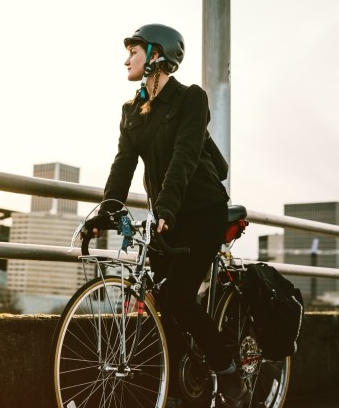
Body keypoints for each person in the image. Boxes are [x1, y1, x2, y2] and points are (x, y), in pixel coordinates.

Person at [100, 23, 248, 408]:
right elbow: (123, 165)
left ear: (155, 55)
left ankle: (229, 372)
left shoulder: (190, 99)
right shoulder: (132, 110)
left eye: (133, 50)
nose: (126, 58)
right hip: (168, 213)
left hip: (200, 210)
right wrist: (107, 208)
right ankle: (184, 380)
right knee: (160, 297)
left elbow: (183, 159)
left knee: (178, 295)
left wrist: (164, 208)